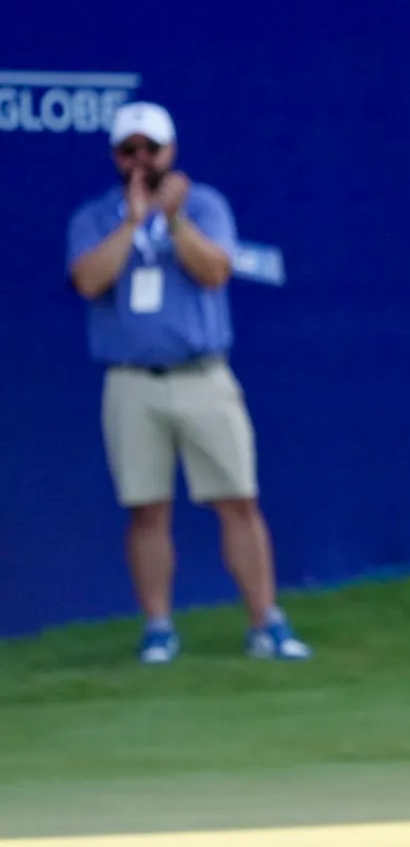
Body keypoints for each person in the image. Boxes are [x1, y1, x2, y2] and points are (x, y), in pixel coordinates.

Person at [66, 101, 311, 664]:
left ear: (171, 151)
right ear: (115, 156)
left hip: (202, 375)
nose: (140, 160)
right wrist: (133, 222)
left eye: (151, 149)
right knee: (146, 509)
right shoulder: (95, 216)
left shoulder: (204, 205)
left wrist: (173, 221)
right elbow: (88, 281)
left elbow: (215, 270)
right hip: (132, 382)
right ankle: (158, 628)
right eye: (129, 150)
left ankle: (266, 624)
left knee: (238, 501)